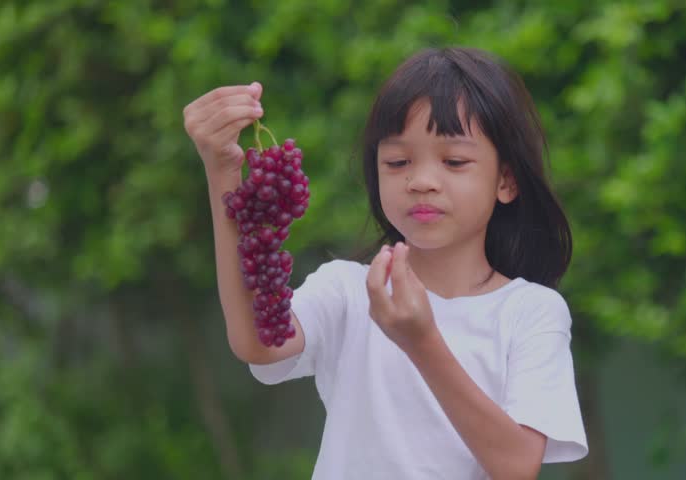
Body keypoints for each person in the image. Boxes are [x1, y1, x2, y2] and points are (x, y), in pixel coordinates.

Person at [184, 46, 588, 479]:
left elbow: (517, 465)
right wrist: (223, 173)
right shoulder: (346, 290)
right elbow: (257, 343)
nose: (421, 182)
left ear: (505, 180)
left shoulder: (530, 312)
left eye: (454, 161)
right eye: (397, 162)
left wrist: (421, 340)